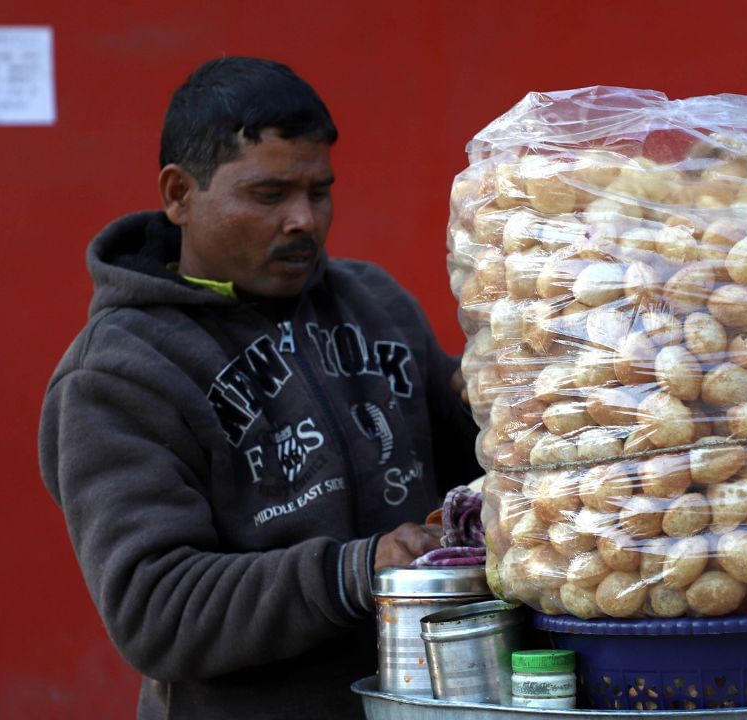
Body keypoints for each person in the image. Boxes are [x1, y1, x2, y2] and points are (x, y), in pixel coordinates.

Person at [38, 56, 481, 719]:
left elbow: (483, 465)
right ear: (179, 194)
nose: (303, 219)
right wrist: (355, 571)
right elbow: (156, 608)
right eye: (269, 195)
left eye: (319, 191)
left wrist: (520, 396)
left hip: (423, 703)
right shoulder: (118, 373)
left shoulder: (375, 303)